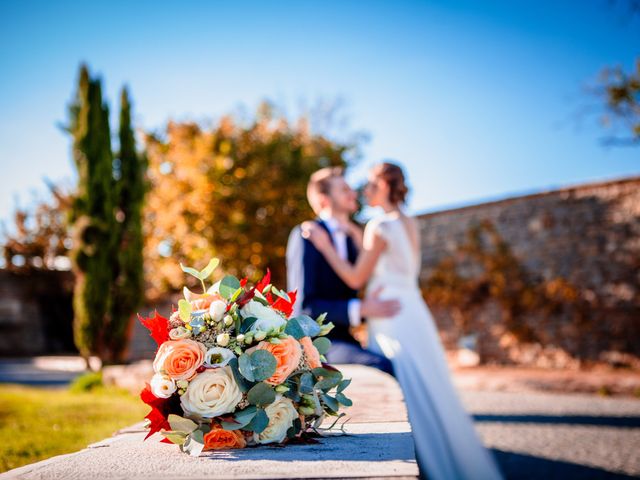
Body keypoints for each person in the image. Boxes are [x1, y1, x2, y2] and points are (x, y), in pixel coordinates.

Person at [302, 162, 502, 480]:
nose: (362, 191)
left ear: (382, 186)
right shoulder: (408, 222)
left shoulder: (377, 227)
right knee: (430, 383)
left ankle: (418, 455)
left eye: (368, 185)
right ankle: (445, 451)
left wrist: (326, 245)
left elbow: (355, 276)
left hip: (388, 314)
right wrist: (350, 231)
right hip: (412, 310)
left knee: (406, 382)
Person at [286, 167, 399, 376]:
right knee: (381, 367)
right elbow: (304, 307)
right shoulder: (306, 235)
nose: (353, 193)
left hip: (348, 338)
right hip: (317, 344)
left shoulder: (353, 238)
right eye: (344, 190)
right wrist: (360, 309)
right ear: (323, 200)